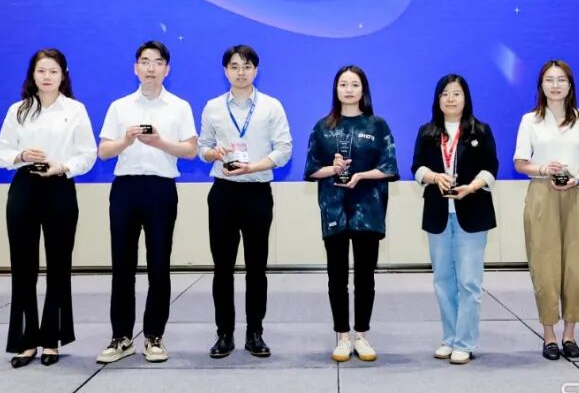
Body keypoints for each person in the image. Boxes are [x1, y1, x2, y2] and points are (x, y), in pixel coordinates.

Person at [95, 40, 198, 365]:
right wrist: (126, 140)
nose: (150, 68)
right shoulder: (119, 106)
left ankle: (154, 335)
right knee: (122, 266)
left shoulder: (179, 106)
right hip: (125, 188)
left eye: (157, 62)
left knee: (159, 264)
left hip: (161, 188)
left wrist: (160, 142)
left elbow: (191, 150)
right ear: (135, 68)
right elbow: (103, 152)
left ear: (167, 69)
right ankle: (121, 336)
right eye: (144, 61)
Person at [0, 48, 97, 368]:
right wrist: (22, 156)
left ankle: (51, 339)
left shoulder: (75, 110)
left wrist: (64, 166)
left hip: (59, 187)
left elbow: (88, 153)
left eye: (53, 71)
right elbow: (1, 153)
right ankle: (25, 341)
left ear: (63, 75)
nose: (47, 77)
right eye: (41, 71)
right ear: (32, 75)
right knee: (23, 267)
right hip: (24, 188)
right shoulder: (18, 110)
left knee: (58, 265)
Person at [197, 44, 292, 359]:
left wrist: (253, 167)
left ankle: (255, 333)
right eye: (235, 66)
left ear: (256, 70)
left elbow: (284, 150)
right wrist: (213, 153)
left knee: (256, 268)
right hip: (223, 193)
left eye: (247, 66)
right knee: (222, 268)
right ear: (225, 71)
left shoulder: (271, 106)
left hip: (257, 192)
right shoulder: (212, 107)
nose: (241, 72)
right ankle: (224, 334)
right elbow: (202, 148)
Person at [304, 65, 399, 363]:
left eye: (354, 84)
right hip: (334, 210)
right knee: (336, 277)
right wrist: (332, 169)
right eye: (343, 84)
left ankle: (362, 335)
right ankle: (343, 337)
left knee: (365, 277)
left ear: (363, 90)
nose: (348, 89)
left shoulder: (377, 125)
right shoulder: (323, 127)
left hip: (368, 210)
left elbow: (389, 167)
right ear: (336, 89)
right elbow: (311, 169)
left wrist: (360, 176)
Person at [513, 60, 579, 360]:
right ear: (541, 85)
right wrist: (543, 168)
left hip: (575, 194)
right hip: (541, 194)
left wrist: (576, 178)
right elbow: (520, 162)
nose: (555, 85)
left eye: (561, 79)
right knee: (545, 267)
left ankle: (570, 334)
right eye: (549, 80)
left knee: (575, 268)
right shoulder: (530, 120)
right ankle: (549, 335)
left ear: (570, 85)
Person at [410, 74, 498, 365]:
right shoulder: (427, 132)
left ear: (465, 98)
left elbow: (491, 168)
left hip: (473, 213)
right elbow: (416, 167)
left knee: (469, 282)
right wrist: (434, 177)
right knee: (443, 281)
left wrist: (471, 187)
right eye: (445, 93)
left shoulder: (480, 131)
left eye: (456, 93)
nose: (450, 99)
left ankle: (465, 342)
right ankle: (449, 338)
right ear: (438, 99)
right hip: (438, 214)